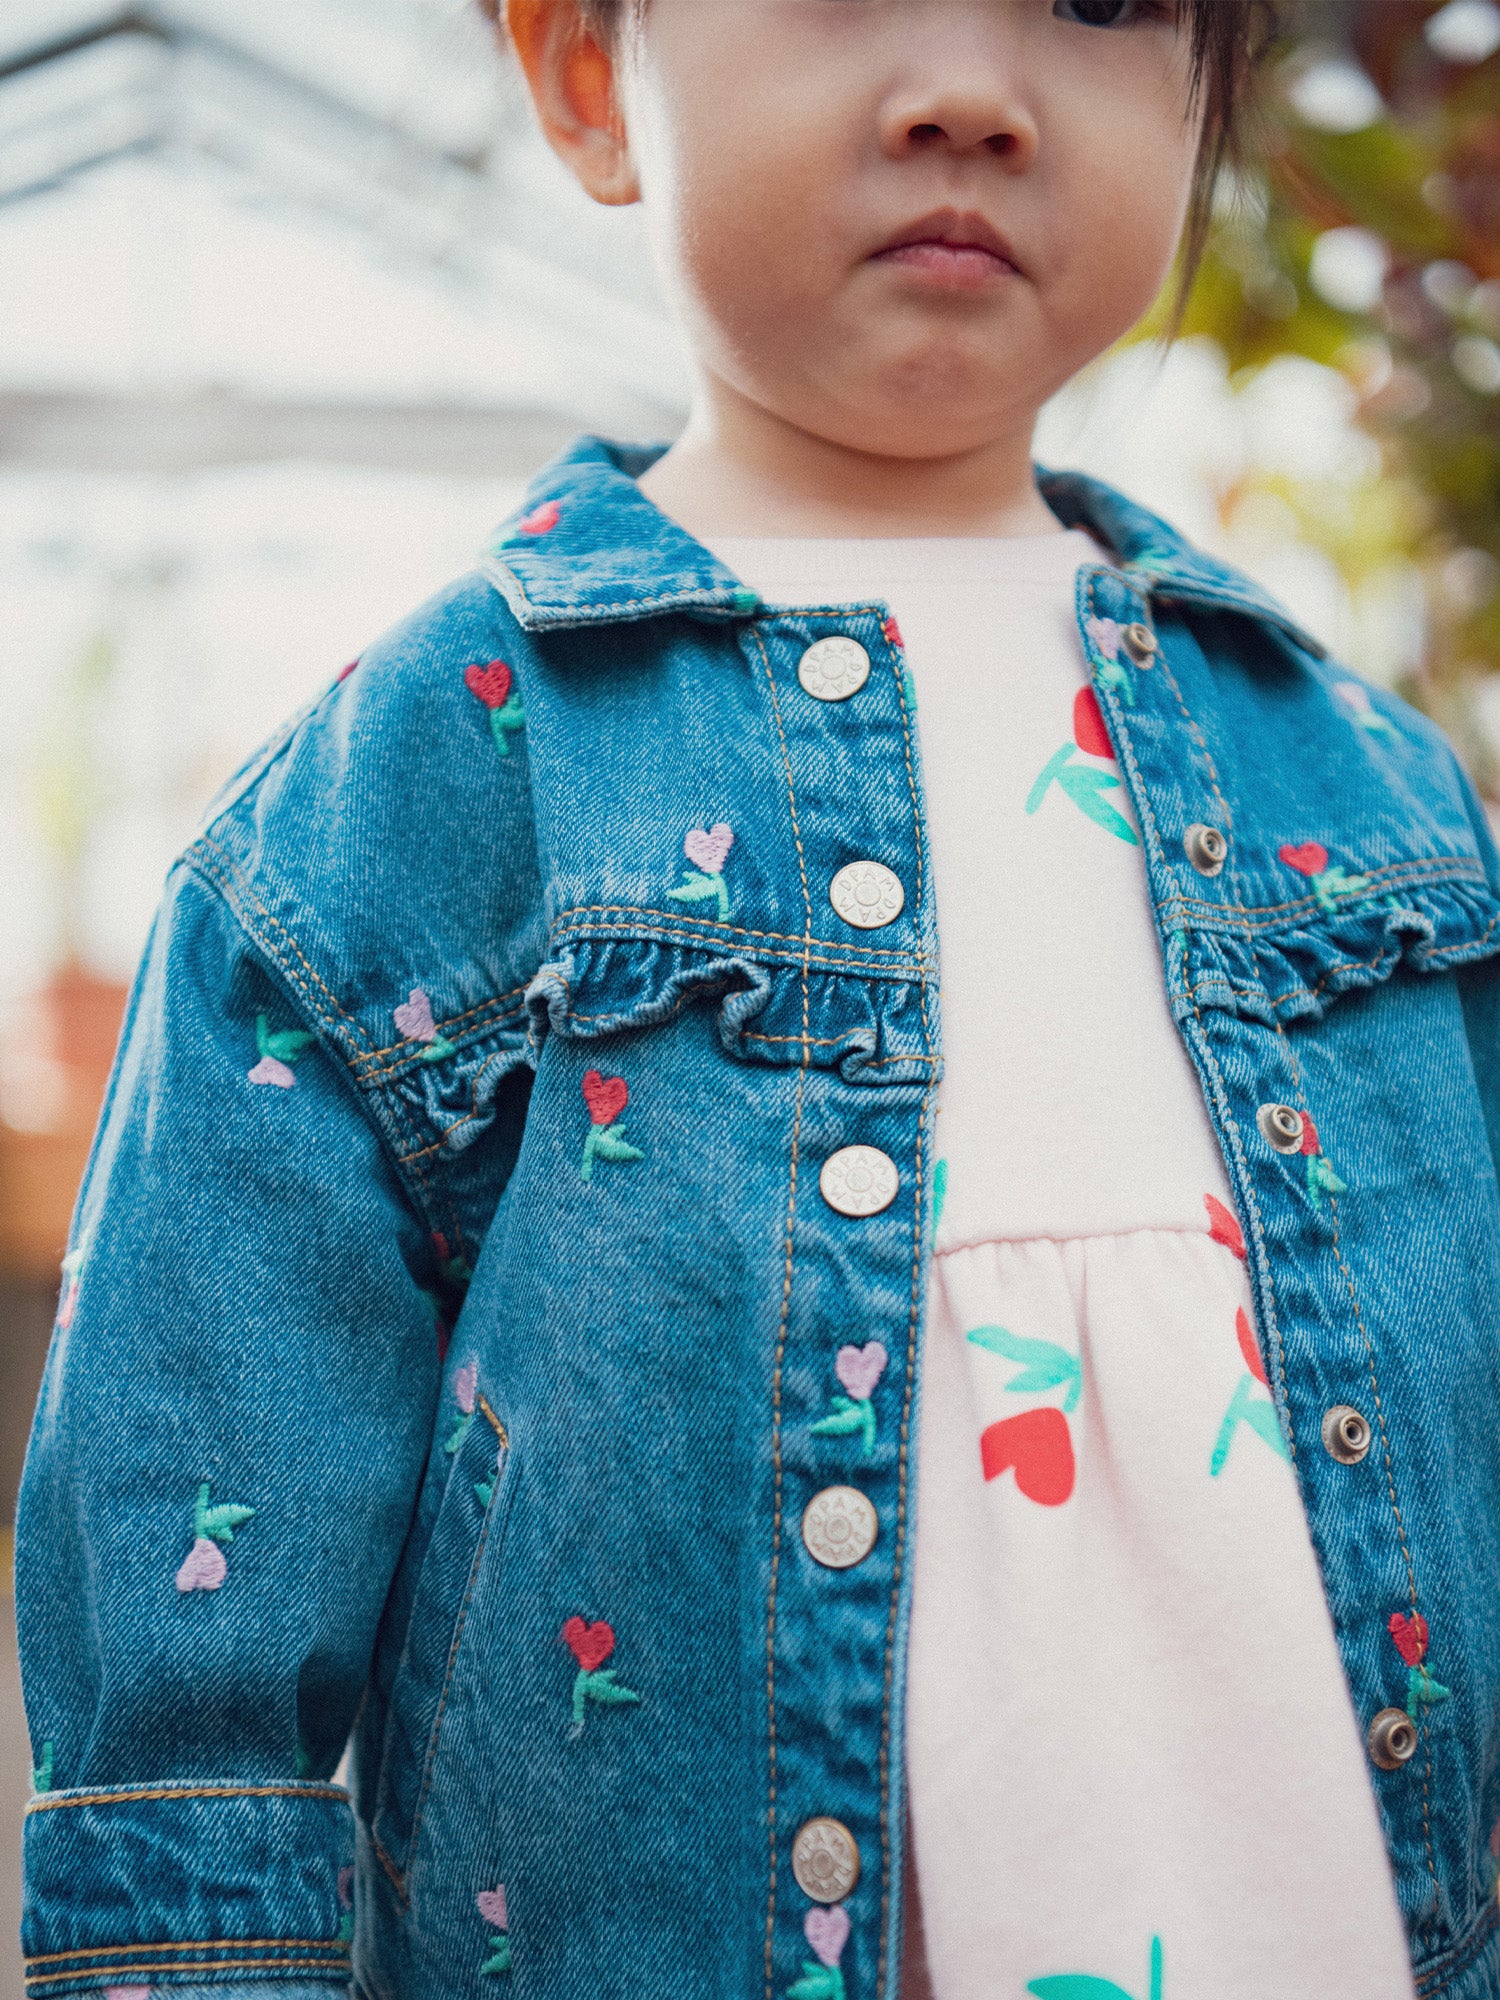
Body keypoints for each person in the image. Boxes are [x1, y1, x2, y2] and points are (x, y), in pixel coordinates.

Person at [17, 3, 1500, 1997]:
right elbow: (194, 1702)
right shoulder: (416, 804)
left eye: (1100, 0)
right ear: (580, 76)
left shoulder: (1381, 808)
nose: (971, 89)